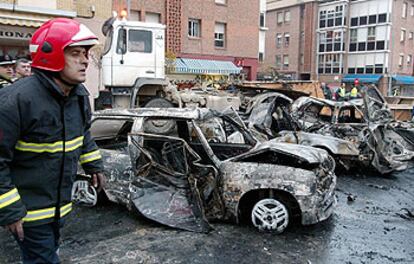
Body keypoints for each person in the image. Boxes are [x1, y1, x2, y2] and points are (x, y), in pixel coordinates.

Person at [0, 18, 105, 263]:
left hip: (58, 208)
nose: (85, 60)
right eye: (76, 53)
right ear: (52, 55)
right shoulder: (15, 100)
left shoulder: (78, 95)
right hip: (29, 213)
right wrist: (11, 209)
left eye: (86, 53)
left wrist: (94, 164)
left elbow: (83, 134)